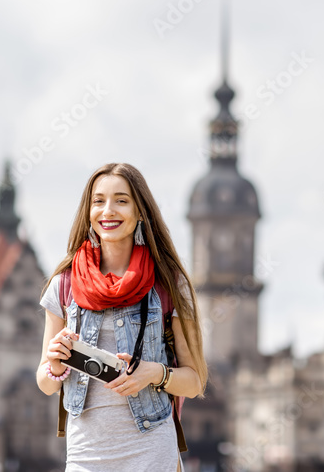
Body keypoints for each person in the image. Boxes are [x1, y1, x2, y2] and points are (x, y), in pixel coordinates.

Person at [37, 162, 208, 472]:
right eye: (98, 201)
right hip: (85, 456)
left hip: (151, 454)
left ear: (140, 211)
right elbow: (45, 384)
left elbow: (195, 383)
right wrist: (55, 362)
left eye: (121, 200)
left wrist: (155, 374)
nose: (108, 210)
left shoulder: (168, 283)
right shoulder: (64, 284)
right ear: (88, 211)